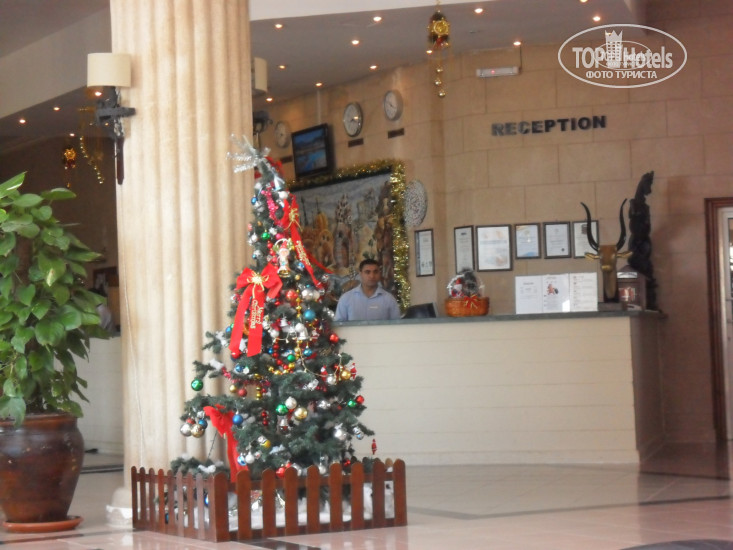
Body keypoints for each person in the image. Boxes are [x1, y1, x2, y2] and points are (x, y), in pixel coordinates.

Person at [334, 259, 401, 321]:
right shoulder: (346, 298)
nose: (372, 276)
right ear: (360, 274)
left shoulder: (389, 299)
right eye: (367, 272)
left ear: (379, 273)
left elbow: (396, 325)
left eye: (375, 272)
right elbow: (339, 325)